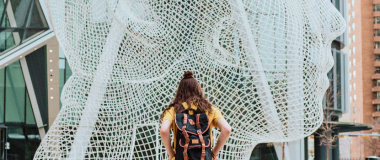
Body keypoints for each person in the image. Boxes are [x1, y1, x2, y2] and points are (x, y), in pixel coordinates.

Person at [160, 71, 232, 160]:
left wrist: (171, 153)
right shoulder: (210, 109)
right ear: (198, 89)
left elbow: (163, 130)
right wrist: (213, 153)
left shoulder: (174, 110)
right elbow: (227, 129)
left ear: (179, 91)